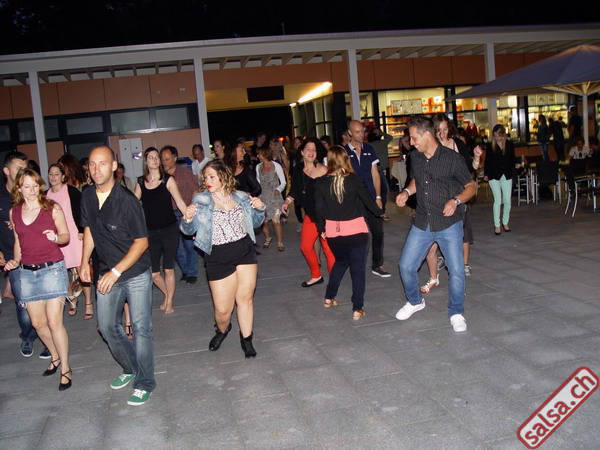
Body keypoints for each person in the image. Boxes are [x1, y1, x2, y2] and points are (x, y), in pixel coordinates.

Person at [80, 145, 155, 406]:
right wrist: (83, 261)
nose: (96, 169)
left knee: (141, 329)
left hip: (135, 272)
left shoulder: (127, 201)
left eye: (102, 163)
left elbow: (142, 242)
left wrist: (116, 271)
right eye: (92, 164)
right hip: (106, 271)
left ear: (114, 166)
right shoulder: (87, 196)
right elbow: (89, 229)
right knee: (106, 327)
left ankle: (145, 382)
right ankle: (130, 367)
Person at [395, 116, 476, 333]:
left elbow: (471, 187)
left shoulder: (452, 159)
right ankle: (415, 301)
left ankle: (456, 312)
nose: (411, 142)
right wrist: (406, 191)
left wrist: (455, 201)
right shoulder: (416, 157)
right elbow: (417, 181)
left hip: (448, 223)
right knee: (406, 266)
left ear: (427, 135)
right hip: (423, 221)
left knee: (456, 270)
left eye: (414, 138)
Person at [181, 160, 265, 357]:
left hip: (244, 250)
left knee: (245, 299)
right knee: (223, 311)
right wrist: (187, 218)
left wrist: (260, 209)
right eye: (205, 178)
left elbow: (255, 223)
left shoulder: (241, 196)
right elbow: (188, 230)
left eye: (212, 177)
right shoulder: (201, 200)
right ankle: (222, 329)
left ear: (224, 176)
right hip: (218, 256)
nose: (208, 181)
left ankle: (247, 339)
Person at [4, 168, 72, 389]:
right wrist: (15, 261)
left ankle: (66, 368)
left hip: (52, 269)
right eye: (27, 186)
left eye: (35, 186)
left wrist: (56, 238)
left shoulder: (52, 207)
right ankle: (55, 356)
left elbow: (66, 235)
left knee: (54, 322)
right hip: (27, 273)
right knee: (37, 324)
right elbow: (18, 241)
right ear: (19, 188)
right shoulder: (14, 212)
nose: (32, 190)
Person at [314, 146, 383, 319]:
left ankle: (329, 297)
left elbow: (318, 210)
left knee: (341, 262)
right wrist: (380, 212)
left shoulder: (321, 183)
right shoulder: (353, 180)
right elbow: (368, 201)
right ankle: (357, 308)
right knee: (357, 270)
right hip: (355, 230)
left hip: (333, 232)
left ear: (329, 161)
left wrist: (321, 229)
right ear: (346, 159)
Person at [419, 114, 482, 294]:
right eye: (438, 130)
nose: (442, 133)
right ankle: (434, 277)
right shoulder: (428, 148)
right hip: (435, 201)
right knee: (430, 243)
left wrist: (477, 157)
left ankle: (462, 269)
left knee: (461, 235)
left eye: (445, 129)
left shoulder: (457, 144)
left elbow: (471, 170)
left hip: (457, 199)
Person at [1, 152, 50, 358]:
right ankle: (28, 336)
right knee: (23, 305)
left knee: (44, 302)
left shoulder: (32, 193)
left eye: (25, 166)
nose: (23, 171)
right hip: (14, 259)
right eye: (18, 168)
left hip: (39, 257)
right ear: (6, 171)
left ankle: (48, 340)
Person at [135, 147, 187, 314]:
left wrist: (189, 216)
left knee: (169, 269)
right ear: (146, 161)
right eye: (151, 157)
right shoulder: (140, 182)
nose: (155, 159)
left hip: (169, 229)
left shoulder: (168, 180)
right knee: (154, 274)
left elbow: (179, 202)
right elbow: (132, 206)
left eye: (156, 157)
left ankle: (169, 301)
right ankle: (167, 295)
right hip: (150, 232)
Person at [281, 138, 335, 287]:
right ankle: (316, 275)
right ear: (302, 152)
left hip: (326, 217)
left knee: (328, 250)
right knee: (305, 247)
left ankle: (334, 279)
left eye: (314, 150)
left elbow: (332, 195)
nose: (311, 152)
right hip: (311, 216)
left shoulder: (324, 170)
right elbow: (295, 189)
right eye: (308, 149)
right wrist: (287, 201)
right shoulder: (298, 169)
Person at [345, 120, 390, 278]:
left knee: (378, 232)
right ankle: (355, 264)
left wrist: (378, 197)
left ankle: (377, 265)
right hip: (354, 200)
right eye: (357, 132)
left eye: (362, 131)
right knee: (357, 235)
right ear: (350, 133)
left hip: (371, 198)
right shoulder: (343, 152)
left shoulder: (369, 149)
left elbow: (375, 174)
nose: (361, 135)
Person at [46, 163, 86, 317]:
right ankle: (72, 299)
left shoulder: (71, 191)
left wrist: (82, 230)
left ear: (63, 176)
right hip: (57, 236)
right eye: (51, 174)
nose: (53, 177)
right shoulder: (45, 195)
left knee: (81, 269)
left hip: (74, 234)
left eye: (56, 174)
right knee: (62, 271)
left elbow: (82, 211)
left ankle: (88, 302)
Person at [160, 145, 199, 284]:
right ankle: (186, 271)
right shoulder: (160, 176)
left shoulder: (184, 172)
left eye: (167, 159)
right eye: (163, 159)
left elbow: (195, 190)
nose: (164, 162)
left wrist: (191, 210)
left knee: (189, 244)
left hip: (184, 212)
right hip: (168, 215)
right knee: (176, 247)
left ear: (175, 158)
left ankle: (192, 272)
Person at [483, 124, 520, 235]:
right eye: (495, 135)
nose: (497, 138)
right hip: (493, 176)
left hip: (506, 175)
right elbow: (487, 161)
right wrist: (486, 174)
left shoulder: (509, 144)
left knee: (507, 200)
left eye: (499, 135)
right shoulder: (490, 145)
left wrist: (516, 163)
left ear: (503, 134)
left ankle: (505, 222)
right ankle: (497, 225)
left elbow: (513, 158)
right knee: (498, 200)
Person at [256, 147, 286, 251]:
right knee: (263, 221)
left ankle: (280, 242)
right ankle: (268, 237)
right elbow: (258, 182)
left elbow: (283, 182)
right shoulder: (258, 167)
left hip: (275, 197)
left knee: (275, 221)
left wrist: (279, 189)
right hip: (263, 197)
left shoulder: (276, 165)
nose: (258, 156)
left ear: (265, 154)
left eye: (259, 154)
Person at [368, 128, 393, 219]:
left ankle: (379, 211)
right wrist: (382, 133)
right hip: (380, 170)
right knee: (384, 191)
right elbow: (390, 137)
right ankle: (381, 212)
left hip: (376, 170)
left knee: (378, 191)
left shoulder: (369, 145)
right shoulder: (382, 142)